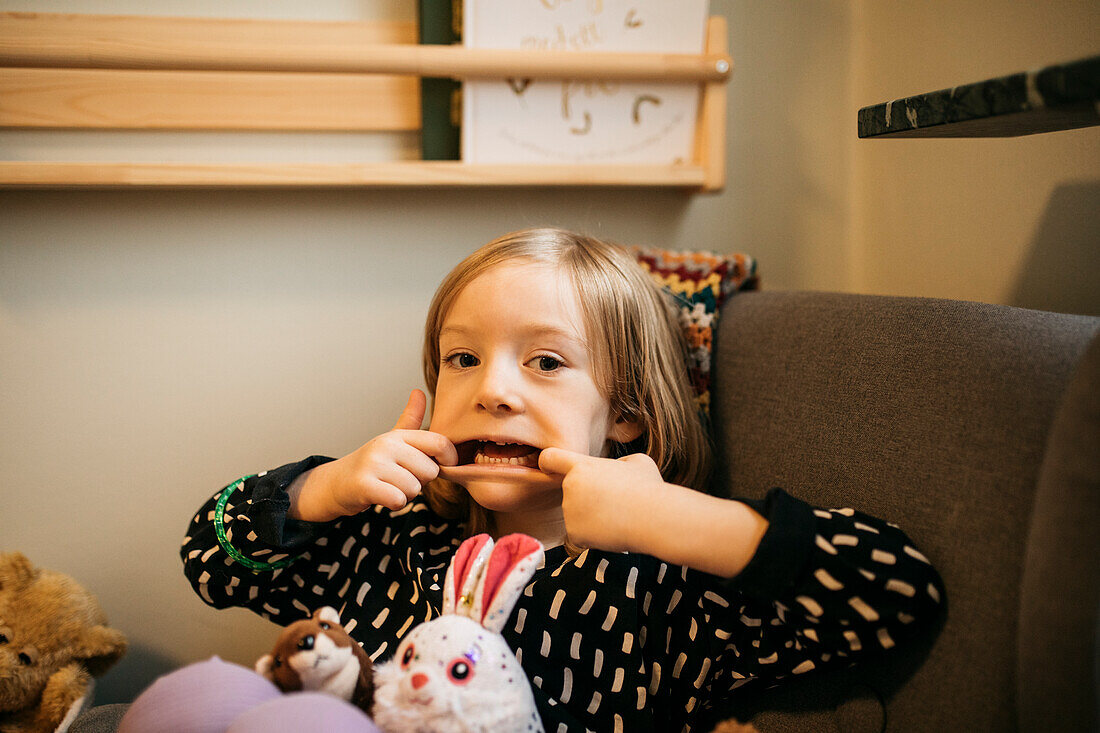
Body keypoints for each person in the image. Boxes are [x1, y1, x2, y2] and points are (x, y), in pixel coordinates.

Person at [182, 228, 945, 732]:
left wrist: (666, 519)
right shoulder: (390, 538)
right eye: (462, 358)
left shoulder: (664, 586)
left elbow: (896, 594)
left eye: (546, 361)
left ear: (628, 415)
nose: (495, 390)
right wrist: (325, 489)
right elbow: (209, 561)